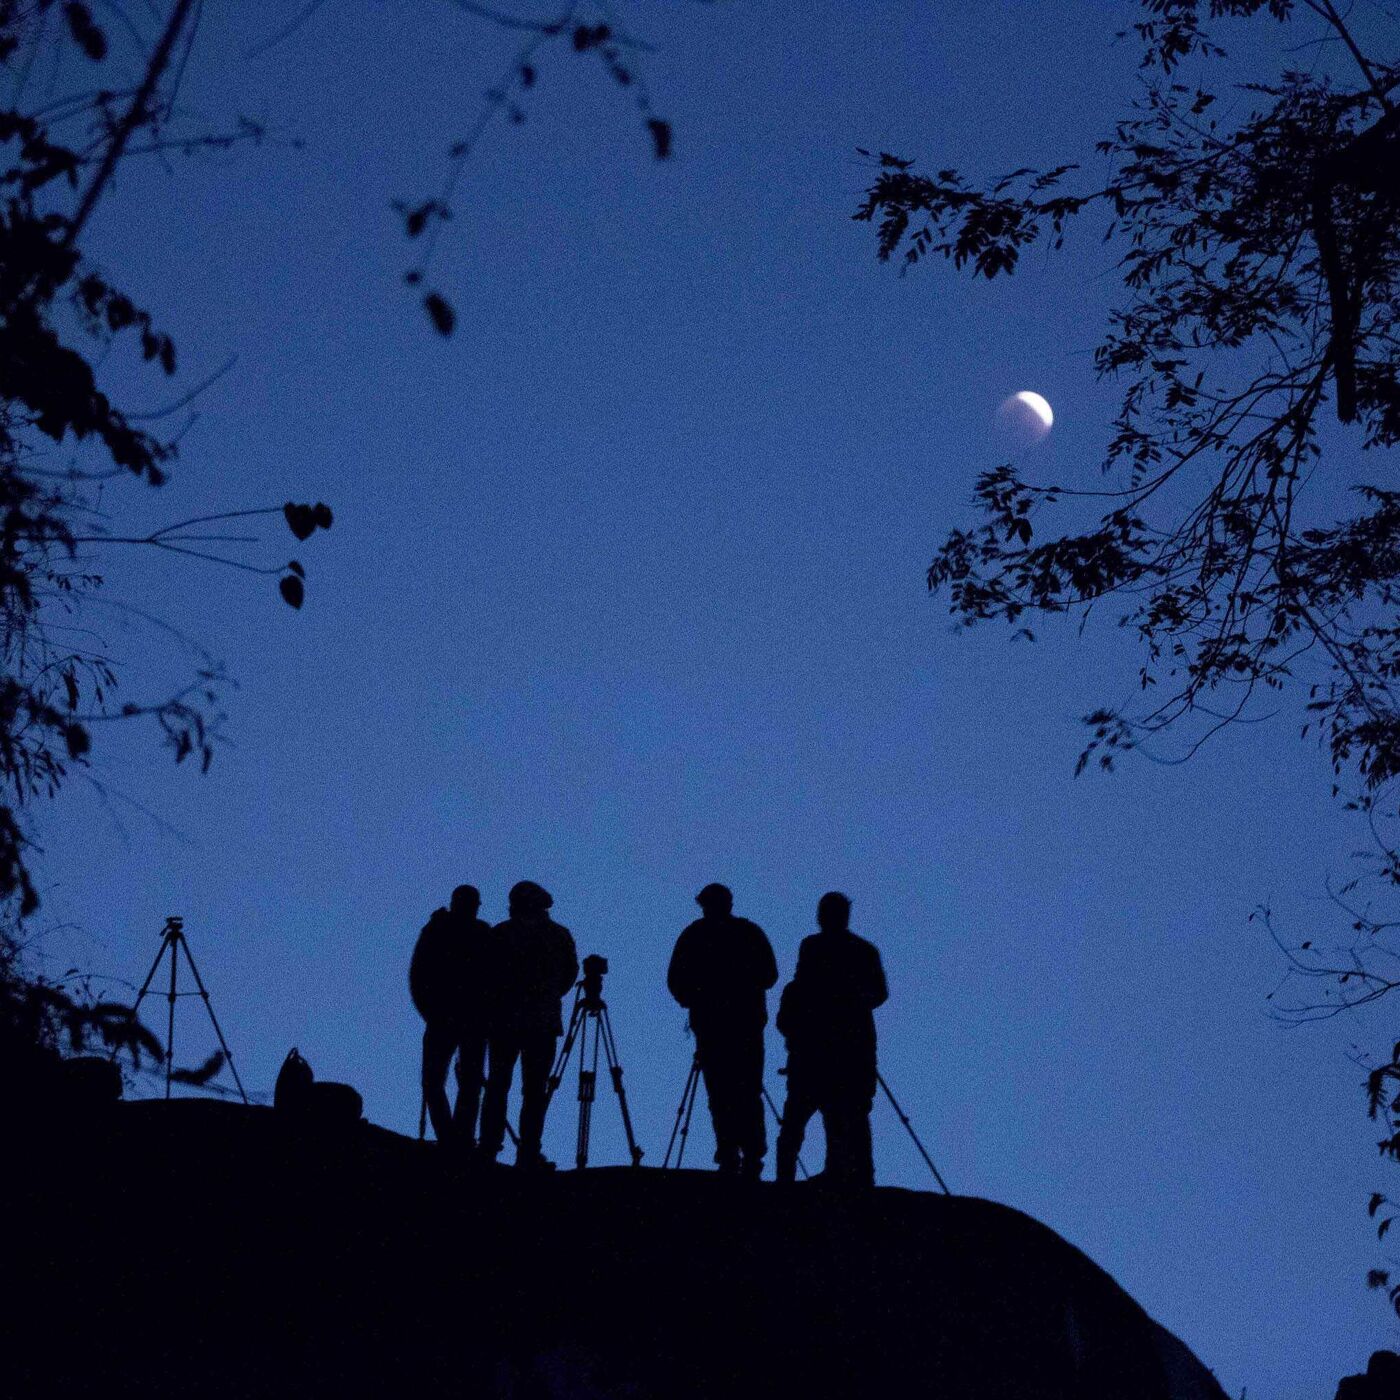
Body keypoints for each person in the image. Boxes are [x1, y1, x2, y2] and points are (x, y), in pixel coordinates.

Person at [775, 891, 887, 1186]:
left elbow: (877, 993)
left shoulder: (825, 949)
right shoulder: (852, 950)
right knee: (833, 1114)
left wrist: (845, 1002)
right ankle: (848, 1175)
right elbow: (877, 993)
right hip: (828, 1046)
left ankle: (849, 1175)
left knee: (840, 1114)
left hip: (838, 1047)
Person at [667, 883, 778, 1179]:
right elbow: (769, 975)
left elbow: (676, 980)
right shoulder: (747, 933)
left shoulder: (696, 935)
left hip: (721, 1026)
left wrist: (696, 998)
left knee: (723, 1091)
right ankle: (748, 1154)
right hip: (740, 1025)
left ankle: (735, 1153)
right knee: (743, 1089)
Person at [478, 880, 578, 1168]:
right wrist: (547, 994)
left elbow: (487, 974)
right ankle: (528, 1151)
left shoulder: (502, 933)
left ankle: (489, 1146)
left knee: (500, 1085)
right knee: (533, 1090)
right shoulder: (558, 935)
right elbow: (569, 975)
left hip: (506, 1021)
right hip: (540, 1022)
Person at [409, 884, 496, 1150]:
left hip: (461, 1019)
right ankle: (455, 1137)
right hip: (454, 1018)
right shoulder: (451, 931)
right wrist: (431, 1012)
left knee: (459, 1081)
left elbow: (418, 975)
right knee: (449, 1081)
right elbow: (419, 975)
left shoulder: (443, 930)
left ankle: (456, 1138)